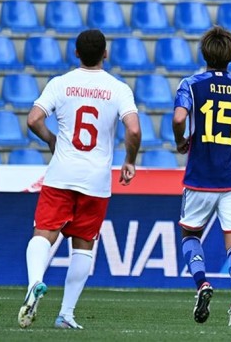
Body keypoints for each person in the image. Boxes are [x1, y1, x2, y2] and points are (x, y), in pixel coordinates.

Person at [19, 29, 142, 329]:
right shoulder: (118, 89)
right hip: (96, 180)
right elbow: (135, 130)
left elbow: (33, 119)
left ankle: (35, 282)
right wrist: (129, 161)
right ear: (105, 54)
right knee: (84, 246)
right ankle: (66, 314)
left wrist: (51, 139)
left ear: (75, 53)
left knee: (43, 234)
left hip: (61, 174)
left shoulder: (60, 84)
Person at [173, 26, 231, 327]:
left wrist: (182, 139)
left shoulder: (191, 84)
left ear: (204, 54)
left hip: (200, 176)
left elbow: (179, 118)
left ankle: (202, 283)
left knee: (190, 235)